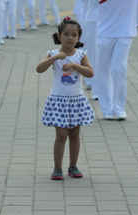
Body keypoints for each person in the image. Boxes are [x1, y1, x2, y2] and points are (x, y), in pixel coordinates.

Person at [36, 18, 94, 180]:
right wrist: (53, 59)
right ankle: (57, 168)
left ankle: (73, 166)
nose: (70, 38)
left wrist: (76, 66)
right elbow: (39, 69)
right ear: (59, 36)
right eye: (66, 34)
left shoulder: (81, 55)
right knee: (61, 135)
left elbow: (90, 73)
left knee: (75, 134)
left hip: (76, 100)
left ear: (78, 38)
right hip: (58, 100)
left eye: (74, 35)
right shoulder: (53, 53)